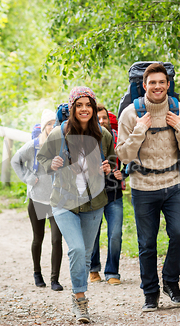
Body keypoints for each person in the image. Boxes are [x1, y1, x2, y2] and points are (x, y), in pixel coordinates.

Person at [116, 63, 180, 312]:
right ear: (144, 85)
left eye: (162, 82)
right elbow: (123, 155)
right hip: (143, 187)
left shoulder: (179, 110)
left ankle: (171, 283)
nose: (157, 87)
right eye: (152, 82)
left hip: (173, 185)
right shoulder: (130, 114)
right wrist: (140, 130)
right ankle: (150, 293)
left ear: (168, 84)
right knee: (147, 243)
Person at [37, 86, 115, 323]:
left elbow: (112, 160)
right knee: (77, 249)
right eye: (79, 105)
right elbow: (41, 162)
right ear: (72, 108)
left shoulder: (104, 135)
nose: (84, 109)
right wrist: (52, 164)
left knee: (86, 254)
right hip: (64, 202)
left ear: (93, 108)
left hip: (94, 203)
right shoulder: (58, 134)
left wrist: (109, 167)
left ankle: (78, 289)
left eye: (88, 105)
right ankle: (80, 300)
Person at [11, 109, 64, 291]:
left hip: (56, 200)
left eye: (54, 123)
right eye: (48, 124)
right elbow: (15, 161)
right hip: (37, 199)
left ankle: (55, 279)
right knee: (38, 238)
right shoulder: (33, 146)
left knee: (57, 239)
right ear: (43, 127)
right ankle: (37, 273)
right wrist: (27, 178)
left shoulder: (61, 145)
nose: (52, 127)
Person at [89, 105, 124, 285]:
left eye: (104, 118)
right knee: (93, 233)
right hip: (94, 194)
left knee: (115, 233)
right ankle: (93, 269)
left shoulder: (118, 138)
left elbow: (132, 159)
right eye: (98, 119)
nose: (101, 122)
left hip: (114, 193)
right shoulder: (88, 139)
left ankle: (112, 271)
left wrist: (123, 173)